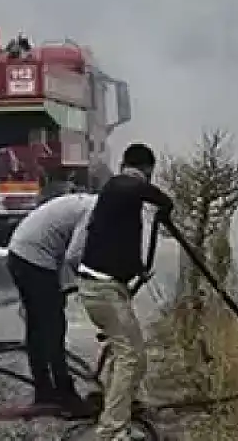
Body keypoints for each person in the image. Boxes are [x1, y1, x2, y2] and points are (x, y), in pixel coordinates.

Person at [75, 143, 173, 441]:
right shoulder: (121, 186)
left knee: (130, 355)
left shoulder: (118, 196)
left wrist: (138, 267)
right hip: (102, 289)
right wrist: (164, 201)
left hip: (107, 287)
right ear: (146, 169)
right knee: (131, 357)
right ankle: (112, 429)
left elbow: (123, 240)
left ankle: (117, 409)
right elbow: (134, 187)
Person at [4, 190, 97, 414]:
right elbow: (74, 255)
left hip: (19, 253)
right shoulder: (94, 211)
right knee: (54, 327)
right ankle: (66, 396)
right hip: (34, 259)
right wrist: (89, 279)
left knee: (38, 326)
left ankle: (44, 391)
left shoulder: (88, 202)